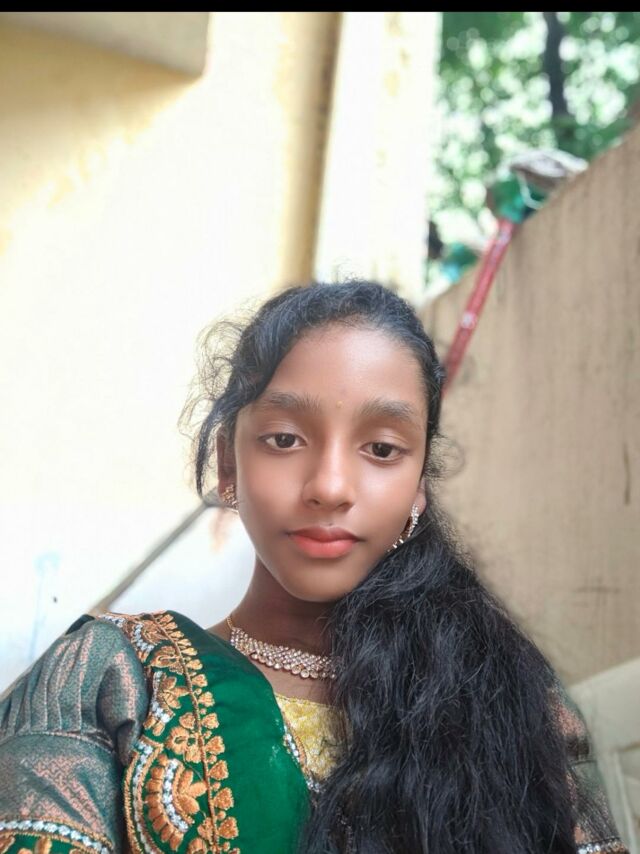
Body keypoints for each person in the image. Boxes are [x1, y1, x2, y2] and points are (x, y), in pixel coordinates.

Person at [0, 281, 627, 854]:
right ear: (228, 462)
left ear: (418, 486)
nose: (329, 486)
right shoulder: (109, 681)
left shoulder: (505, 699)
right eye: (285, 439)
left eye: (381, 448)